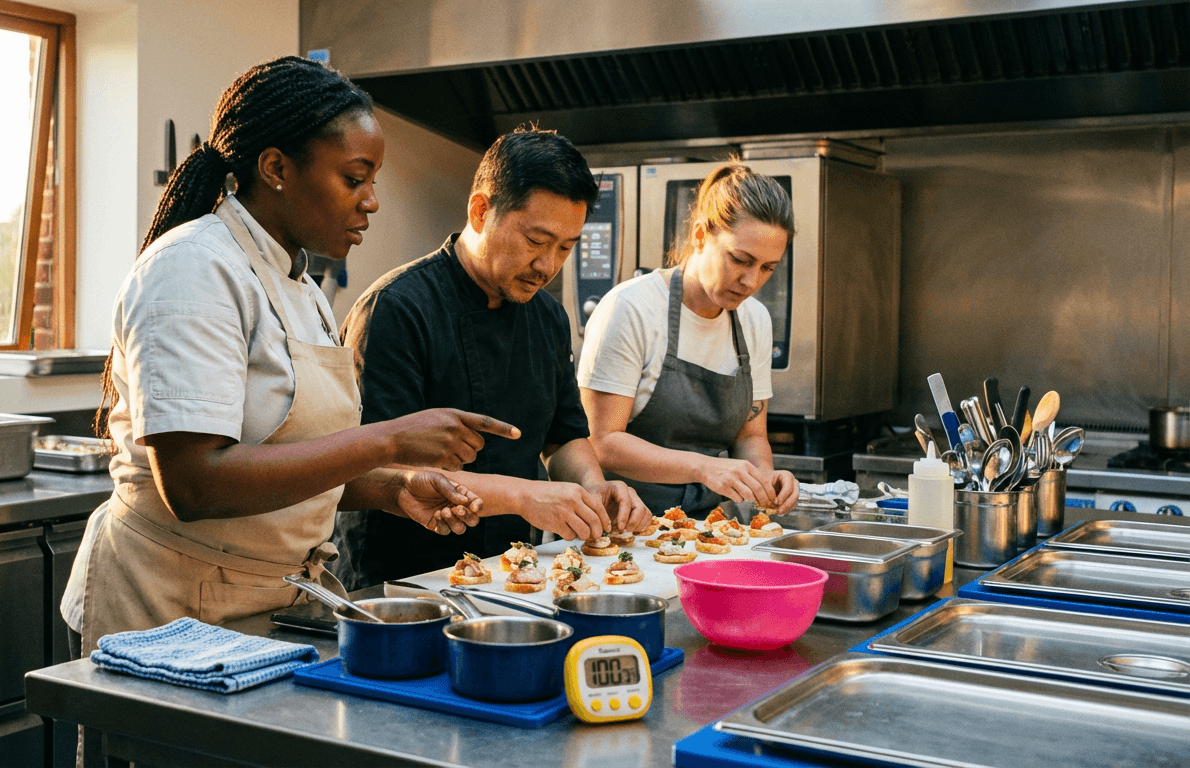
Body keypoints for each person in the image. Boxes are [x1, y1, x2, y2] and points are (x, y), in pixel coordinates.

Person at [61, 57, 516, 660]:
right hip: (171, 605)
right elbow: (196, 484)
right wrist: (388, 442)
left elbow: (288, 460)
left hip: (273, 598)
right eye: (355, 179)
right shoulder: (193, 270)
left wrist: (392, 487)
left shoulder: (300, 286)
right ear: (275, 168)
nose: (372, 202)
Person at [334, 127, 652, 589]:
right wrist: (527, 496)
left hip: (513, 571)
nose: (548, 265)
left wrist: (591, 486)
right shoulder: (397, 308)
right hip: (402, 579)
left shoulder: (547, 316)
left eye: (566, 247)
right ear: (481, 211)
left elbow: (564, 438)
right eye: (536, 240)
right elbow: (376, 470)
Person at [577, 163, 800, 517]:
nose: (751, 281)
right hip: (617, 525)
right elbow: (601, 443)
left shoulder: (754, 320)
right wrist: (703, 467)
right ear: (699, 235)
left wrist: (766, 478)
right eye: (740, 260)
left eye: (767, 268)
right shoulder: (632, 308)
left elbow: (750, 435)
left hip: (704, 529)